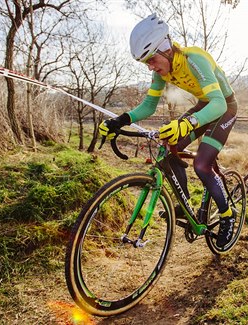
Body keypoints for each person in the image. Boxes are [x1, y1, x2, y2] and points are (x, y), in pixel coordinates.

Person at [98, 14, 238, 248]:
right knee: (168, 144)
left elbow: (219, 104)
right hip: (205, 106)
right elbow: (149, 106)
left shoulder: (195, 59)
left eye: (152, 59)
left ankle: (227, 216)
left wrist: (187, 123)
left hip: (224, 107)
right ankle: (184, 205)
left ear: (166, 48)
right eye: (146, 63)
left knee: (202, 165)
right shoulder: (160, 70)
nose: (151, 67)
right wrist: (121, 120)